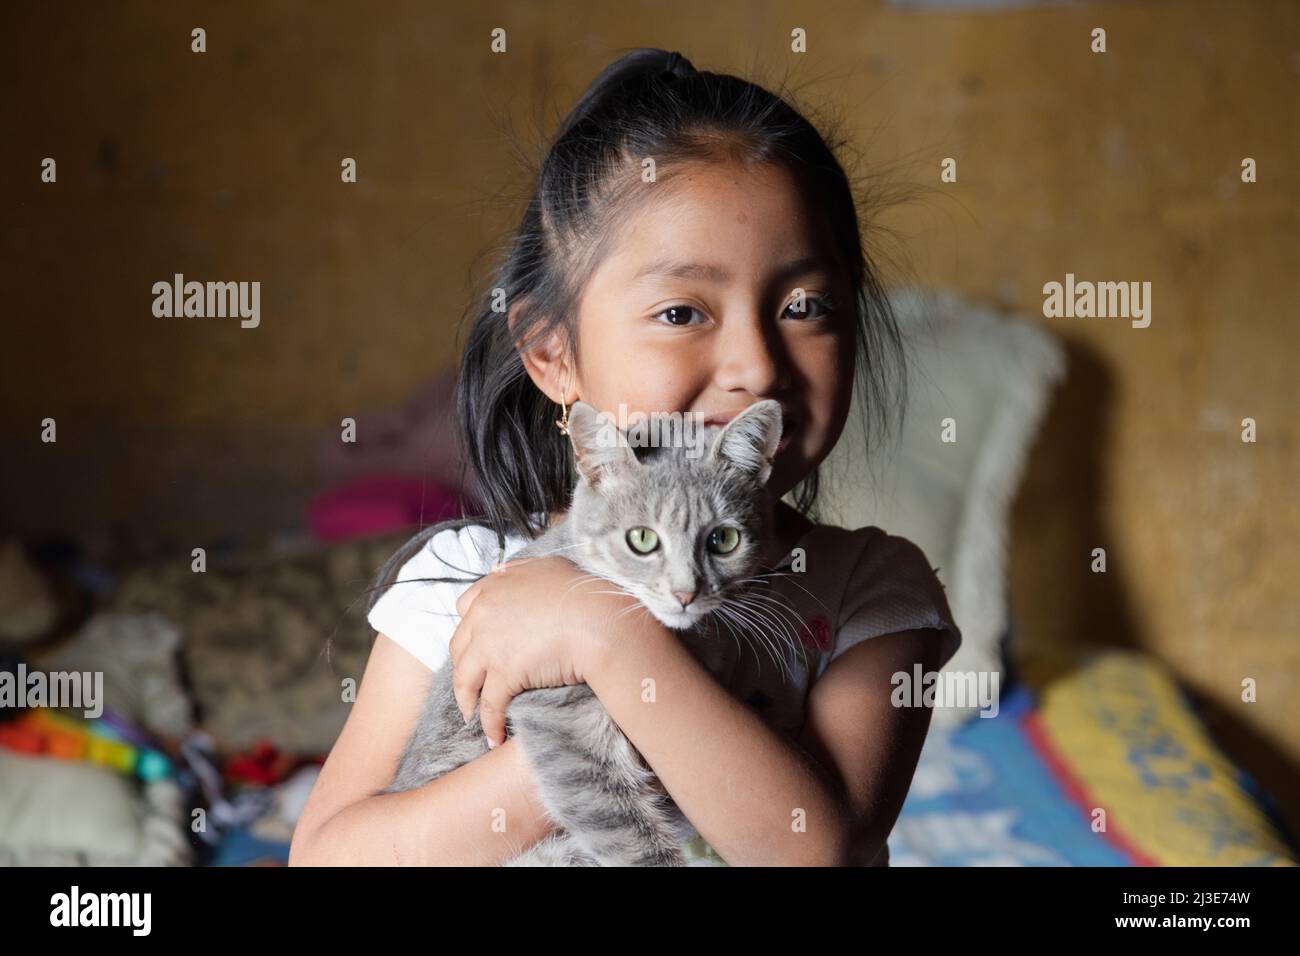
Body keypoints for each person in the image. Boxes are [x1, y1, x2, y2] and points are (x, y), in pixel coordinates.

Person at [290, 47, 960, 867]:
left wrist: (603, 642)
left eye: (804, 305)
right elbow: (329, 857)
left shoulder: (872, 592)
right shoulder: (469, 581)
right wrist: (573, 730)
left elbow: (819, 852)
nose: (756, 365)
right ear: (551, 358)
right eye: (683, 310)